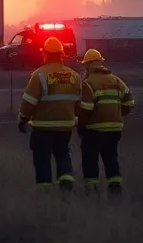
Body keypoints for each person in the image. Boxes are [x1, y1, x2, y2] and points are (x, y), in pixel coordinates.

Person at [17, 36, 93, 190]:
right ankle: (66, 181)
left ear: (45, 54)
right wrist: (75, 116)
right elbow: (80, 102)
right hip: (65, 125)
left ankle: (44, 190)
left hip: (42, 127)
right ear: (61, 54)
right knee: (63, 153)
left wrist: (23, 119)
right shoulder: (74, 76)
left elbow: (28, 102)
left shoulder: (39, 75)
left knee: (42, 157)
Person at [78, 49, 135, 193]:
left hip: (94, 129)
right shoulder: (116, 81)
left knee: (90, 160)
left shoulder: (88, 83)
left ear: (89, 65)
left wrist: (81, 125)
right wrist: (117, 114)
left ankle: (91, 191)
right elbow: (130, 103)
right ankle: (115, 188)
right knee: (111, 159)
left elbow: (86, 108)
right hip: (115, 128)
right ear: (100, 63)